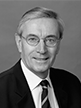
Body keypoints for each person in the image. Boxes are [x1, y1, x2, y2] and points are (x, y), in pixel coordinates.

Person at [0, 7, 81, 108]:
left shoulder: (72, 84)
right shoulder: (2, 90)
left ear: (58, 45)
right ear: (19, 43)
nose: (42, 50)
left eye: (50, 40)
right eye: (33, 39)